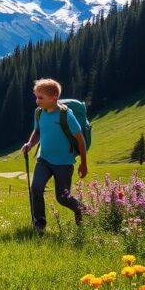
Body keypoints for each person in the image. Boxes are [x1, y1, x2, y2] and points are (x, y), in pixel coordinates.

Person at [20, 78, 88, 233]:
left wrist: (83, 163)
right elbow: (37, 131)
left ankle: (82, 209)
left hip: (64, 163)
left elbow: (80, 139)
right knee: (36, 189)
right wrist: (30, 144)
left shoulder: (66, 116)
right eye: (36, 97)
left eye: (40, 97)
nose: (37, 101)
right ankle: (40, 225)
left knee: (62, 198)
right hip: (43, 159)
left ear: (54, 97)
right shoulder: (39, 113)